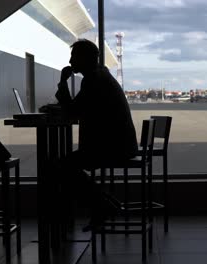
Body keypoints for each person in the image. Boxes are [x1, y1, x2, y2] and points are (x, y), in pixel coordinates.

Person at [54, 39, 138, 230]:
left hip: (111, 147)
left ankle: (101, 206)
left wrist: (62, 83)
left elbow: (73, 111)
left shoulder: (93, 80)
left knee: (63, 166)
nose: (70, 60)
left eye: (74, 56)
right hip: (118, 144)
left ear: (84, 58)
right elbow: (78, 109)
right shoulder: (100, 75)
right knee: (66, 165)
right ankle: (104, 204)